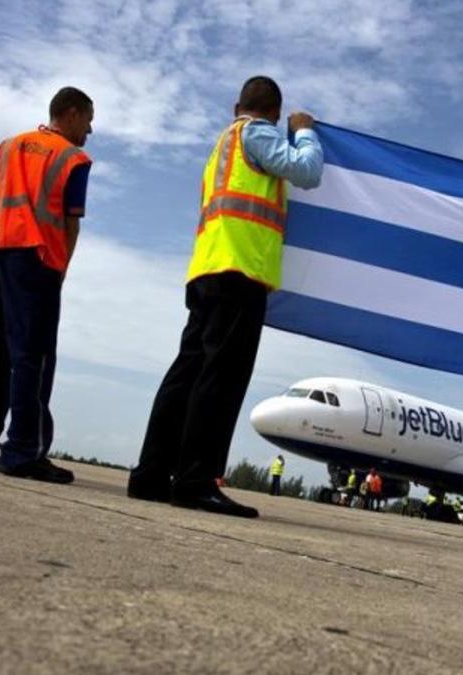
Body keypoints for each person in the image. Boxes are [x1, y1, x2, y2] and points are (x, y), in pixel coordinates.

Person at [127, 76, 323, 518]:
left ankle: (150, 474)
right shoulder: (256, 134)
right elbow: (307, 172)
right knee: (222, 377)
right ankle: (195, 480)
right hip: (240, 270)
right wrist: (305, 131)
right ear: (274, 112)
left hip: (206, 268)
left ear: (237, 104)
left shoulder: (222, 146)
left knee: (186, 373)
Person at [0, 87, 94, 483]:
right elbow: (70, 221)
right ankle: (22, 451)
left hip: (0, 253)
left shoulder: (8, 146)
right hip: (39, 261)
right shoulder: (74, 158)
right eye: (88, 119)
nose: (90, 129)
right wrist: (60, 271)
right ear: (70, 113)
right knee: (32, 356)